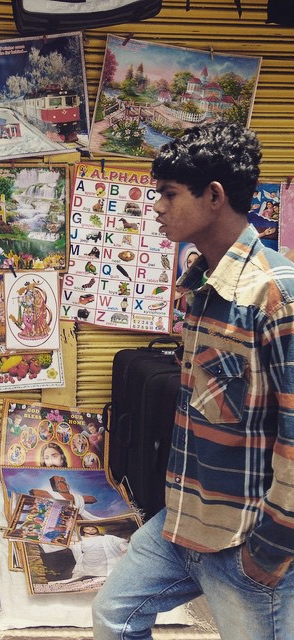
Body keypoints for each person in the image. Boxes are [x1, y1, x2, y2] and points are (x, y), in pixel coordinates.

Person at [92, 121, 294, 640]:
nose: (155, 206)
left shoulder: (277, 296)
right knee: (114, 615)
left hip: (245, 541)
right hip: (185, 521)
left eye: (168, 193)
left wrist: (268, 553)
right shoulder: (201, 285)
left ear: (214, 196)